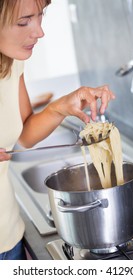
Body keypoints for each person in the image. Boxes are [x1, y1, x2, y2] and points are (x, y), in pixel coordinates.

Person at [0, 0, 115, 260]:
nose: (39, 31)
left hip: (8, 236)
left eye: (41, 16)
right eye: (23, 22)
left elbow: (26, 136)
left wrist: (61, 106)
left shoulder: (11, 61)